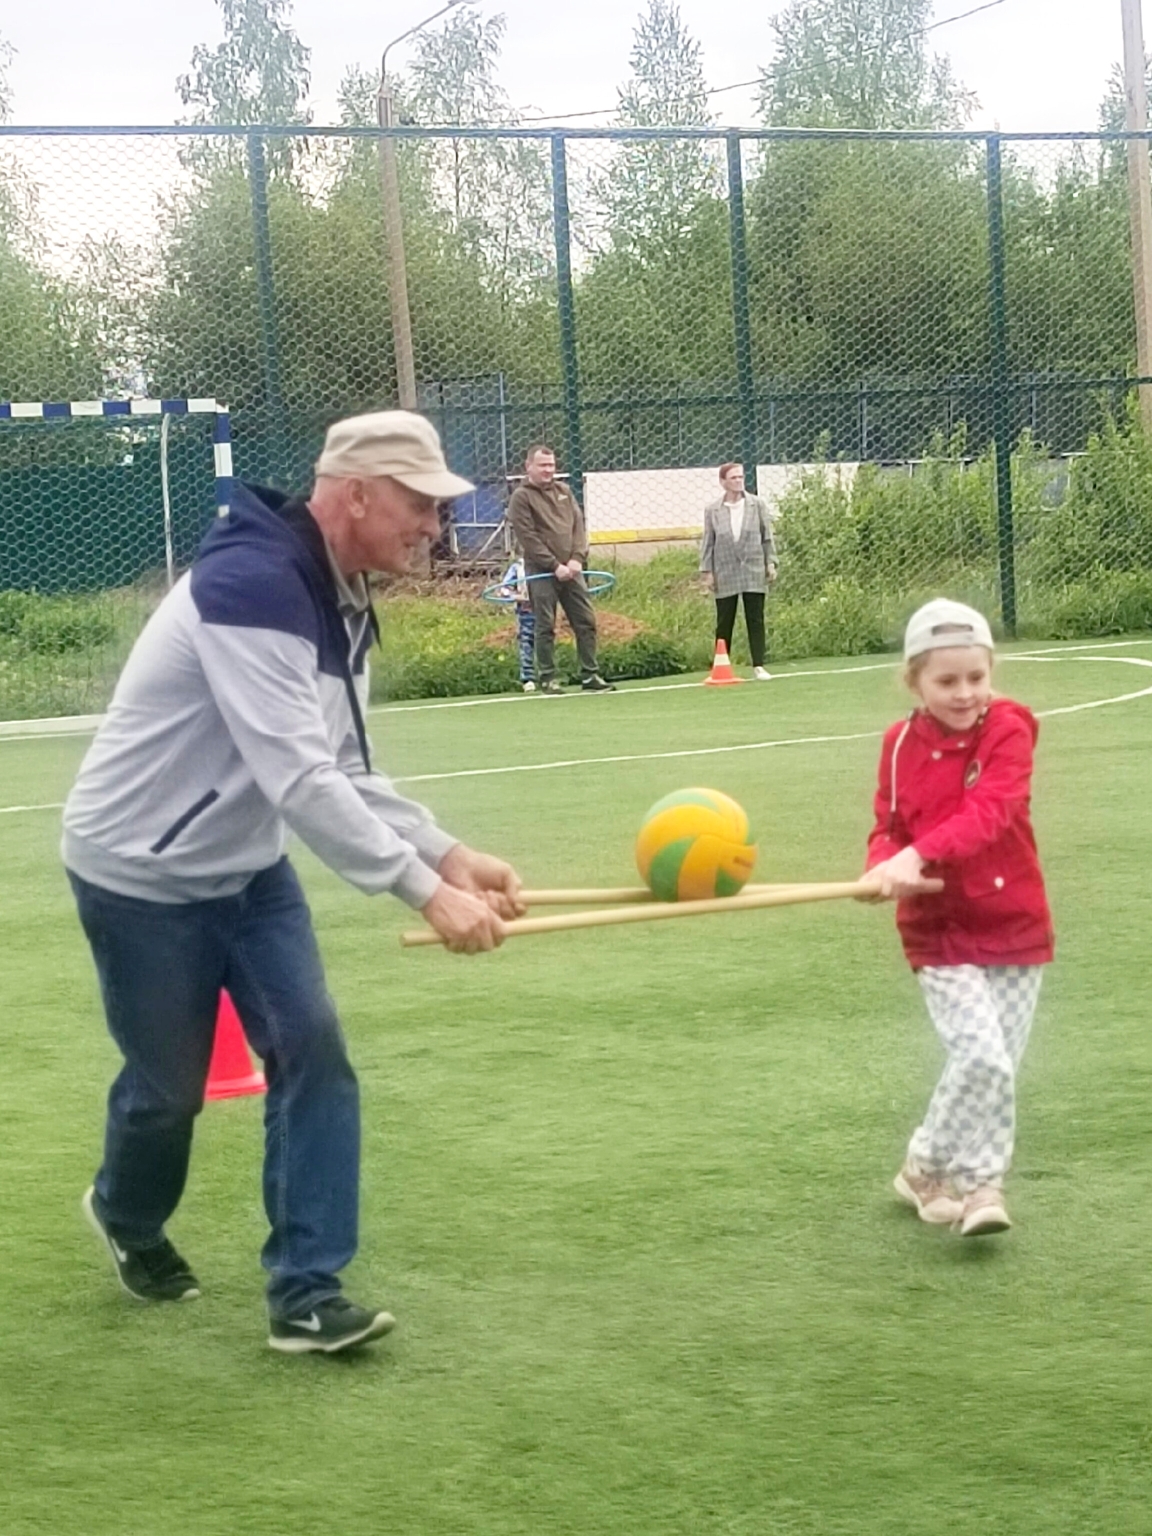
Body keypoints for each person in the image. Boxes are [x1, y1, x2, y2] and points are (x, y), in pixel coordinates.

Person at [63, 410, 525, 1354]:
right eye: (420, 505)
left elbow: (345, 765)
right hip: (138, 873)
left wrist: (446, 852)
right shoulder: (251, 583)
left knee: (313, 1046)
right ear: (355, 493)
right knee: (169, 1090)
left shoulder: (339, 591)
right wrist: (424, 892)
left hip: (247, 869)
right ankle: (125, 1212)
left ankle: (307, 1292)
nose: (434, 527)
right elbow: (300, 779)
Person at [859, 599, 1054, 1238]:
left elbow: (992, 811)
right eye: (946, 681)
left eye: (977, 677)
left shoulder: (1009, 728)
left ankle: (926, 1170)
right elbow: (887, 827)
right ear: (914, 682)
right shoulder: (897, 745)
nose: (965, 692)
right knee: (983, 1058)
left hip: (1014, 920)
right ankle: (982, 1185)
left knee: (995, 1060)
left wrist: (916, 853)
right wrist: (882, 866)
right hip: (937, 930)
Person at [506, 444, 614, 693]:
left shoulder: (564, 490)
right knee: (545, 624)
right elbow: (528, 537)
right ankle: (548, 678)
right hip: (542, 571)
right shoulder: (521, 497)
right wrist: (554, 566)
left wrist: (577, 558)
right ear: (529, 466)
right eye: (542, 465)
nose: (548, 470)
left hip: (572, 570)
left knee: (586, 621)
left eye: (551, 465)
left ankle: (590, 675)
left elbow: (578, 526)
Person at [699, 463, 778, 680]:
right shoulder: (712, 509)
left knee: (756, 617)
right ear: (723, 481)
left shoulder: (756, 505)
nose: (738, 481)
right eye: (733, 477)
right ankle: (721, 664)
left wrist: (770, 562)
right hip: (725, 569)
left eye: (740, 477)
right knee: (725, 619)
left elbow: (766, 536)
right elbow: (708, 542)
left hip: (752, 566)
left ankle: (759, 665)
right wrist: (707, 571)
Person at [497, 553, 537, 692]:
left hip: (545, 609)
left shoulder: (545, 564)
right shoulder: (518, 568)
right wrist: (516, 596)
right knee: (526, 641)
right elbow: (503, 589)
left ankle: (547, 675)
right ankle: (528, 678)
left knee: (545, 640)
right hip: (526, 611)